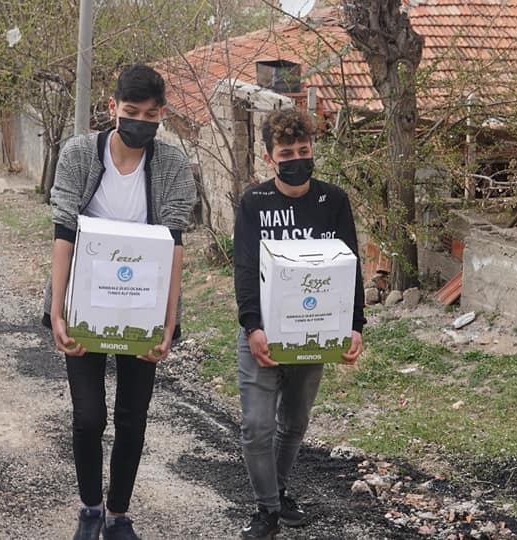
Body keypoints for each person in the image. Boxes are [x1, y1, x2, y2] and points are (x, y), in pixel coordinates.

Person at [43, 64, 196, 540]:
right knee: (89, 416)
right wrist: (56, 308)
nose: (140, 122)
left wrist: (170, 323)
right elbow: (64, 230)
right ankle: (90, 508)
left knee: (133, 415)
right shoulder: (79, 154)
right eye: (131, 112)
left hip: (143, 305)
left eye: (151, 114)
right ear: (113, 108)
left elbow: (174, 244)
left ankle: (118, 515)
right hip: (84, 302)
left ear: (162, 114)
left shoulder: (172, 165)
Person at [232, 108, 366, 539]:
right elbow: (245, 269)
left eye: (303, 150)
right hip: (264, 334)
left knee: (294, 424)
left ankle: (278, 490)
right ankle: (267, 509)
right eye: (286, 152)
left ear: (313, 151)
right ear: (270, 158)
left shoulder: (334, 201)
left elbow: (351, 267)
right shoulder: (255, 203)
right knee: (257, 426)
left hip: (316, 331)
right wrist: (252, 327)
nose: (296, 159)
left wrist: (355, 325)